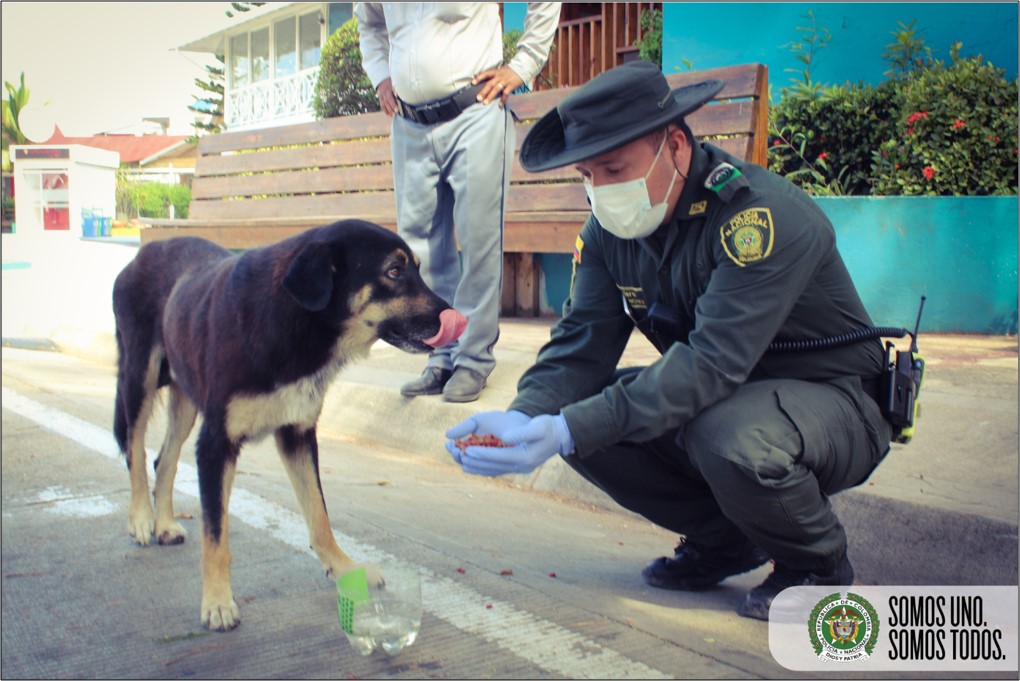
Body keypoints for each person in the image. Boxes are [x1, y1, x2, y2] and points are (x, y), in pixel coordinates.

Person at [445, 61, 894, 620]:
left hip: (837, 403)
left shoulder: (759, 218)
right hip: (729, 397)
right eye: (587, 174)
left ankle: (818, 563)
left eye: (615, 168)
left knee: (717, 433)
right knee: (585, 415)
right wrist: (526, 415)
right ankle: (727, 541)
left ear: (675, 146)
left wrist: (567, 428)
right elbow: (581, 342)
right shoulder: (610, 232)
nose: (601, 190)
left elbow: (710, 365)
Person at [355, 2, 560, 402]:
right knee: (420, 251)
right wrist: (380, 77)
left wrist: (524, 64)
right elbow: (369, 21)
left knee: (479, 240)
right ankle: (441, 355)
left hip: (474, 113)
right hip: (409, 123)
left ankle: (473, 360)